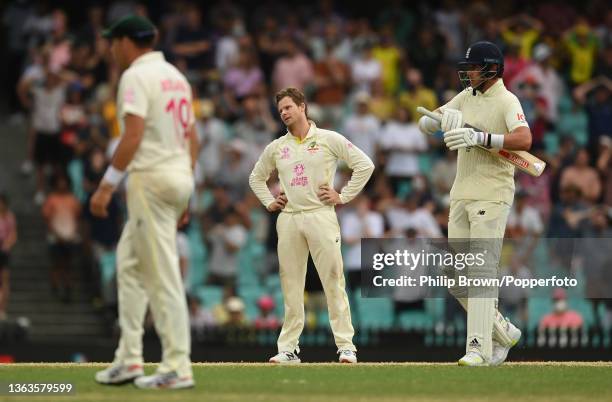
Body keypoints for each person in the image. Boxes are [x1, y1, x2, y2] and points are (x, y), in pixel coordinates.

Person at [90, 16, 198, 389]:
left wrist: (106, 187)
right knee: (130, 265)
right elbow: (192, 137)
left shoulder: (135, 76)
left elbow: (133, 135)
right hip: (177, 175)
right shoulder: (177, 77)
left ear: (125, 42)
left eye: (112, 41)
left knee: (161, 272)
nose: (110, 48)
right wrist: (187, 185)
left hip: (150, 179)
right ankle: (130, 358)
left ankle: (177, 365)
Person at [418, 41, 533, 366]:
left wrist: (482, 138)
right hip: (461, 194)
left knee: (480, 272)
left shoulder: (507, 100)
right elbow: (430, 122)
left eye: (472, 67)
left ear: (491, 69)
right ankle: (503, 330)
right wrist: (435, 121)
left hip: (492, 194)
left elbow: (524, 140)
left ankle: (478, 348)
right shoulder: (466, 97)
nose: (466, 72)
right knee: (455, 275)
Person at [249, 87, 374, 364]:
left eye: (288, 107)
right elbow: (256, 178)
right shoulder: (277, 147)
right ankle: (288, 349)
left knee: (333, 279)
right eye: (280, 109)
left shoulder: (329, 139)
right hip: (289, 218)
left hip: (320, 214)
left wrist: (343, 196)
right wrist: (269, 202)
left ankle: (346, 346)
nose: (284, 113)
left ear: (302, 106)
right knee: (290, 285)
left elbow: (364, 165)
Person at [0, 194, 17, 320]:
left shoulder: (9, 217)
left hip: (3, 251)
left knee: (4, 281)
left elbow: (13, 234)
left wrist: (7, 245)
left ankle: (2, 308)